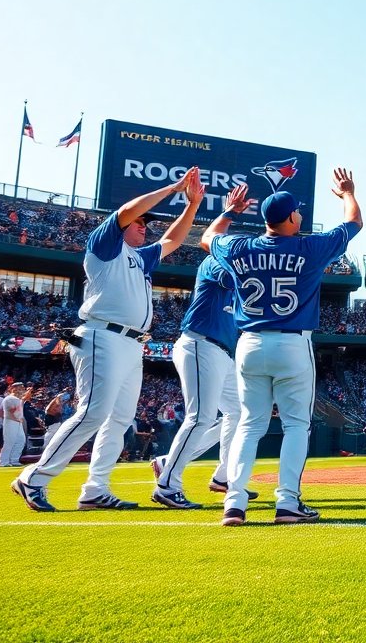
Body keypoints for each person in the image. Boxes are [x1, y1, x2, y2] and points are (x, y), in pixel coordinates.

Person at [12, 168, 205, 512]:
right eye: (140, 222)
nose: (145, 225)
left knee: (119, 419)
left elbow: (172, 241)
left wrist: (191, 206)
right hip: (103, 334)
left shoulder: (140, 257)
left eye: (147, 223)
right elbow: (124, 213)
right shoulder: (105, 246)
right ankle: (33, 478)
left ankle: (95, 488)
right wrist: (173, 188)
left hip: (132, 344)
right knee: (91, 413)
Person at [202, 170, 362, 526]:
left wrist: (230, 211)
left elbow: (209, 236)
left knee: (249, 424)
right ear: (290, 217)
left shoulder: (240, 246)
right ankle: (287, 501)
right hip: (292, 344)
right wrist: (348, 193)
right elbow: (354, 221)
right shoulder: (310, 246)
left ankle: (235, 502)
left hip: (250, 344)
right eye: (298, 213)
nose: (301, 216)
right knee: (295, 425)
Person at [150, 183, 254, 509]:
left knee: (238, 412)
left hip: (219, 352)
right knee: (200, 417)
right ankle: (167, 483)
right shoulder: (214, 265)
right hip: (199, 345)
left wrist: (231, 212)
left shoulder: (234, 273)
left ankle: (224, 476)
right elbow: (212, 239)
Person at [0, 384, 29, 467]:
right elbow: (11, 411)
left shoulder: (18, 399)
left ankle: (14, 460)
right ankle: (3, 461)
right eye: (19, 388)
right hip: (11, 421)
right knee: (9, 441)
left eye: (22, 388)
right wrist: (16, 418)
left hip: (18, 422)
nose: (22, 390)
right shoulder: (9, 398)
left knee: (20, 441)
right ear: (13, 389)